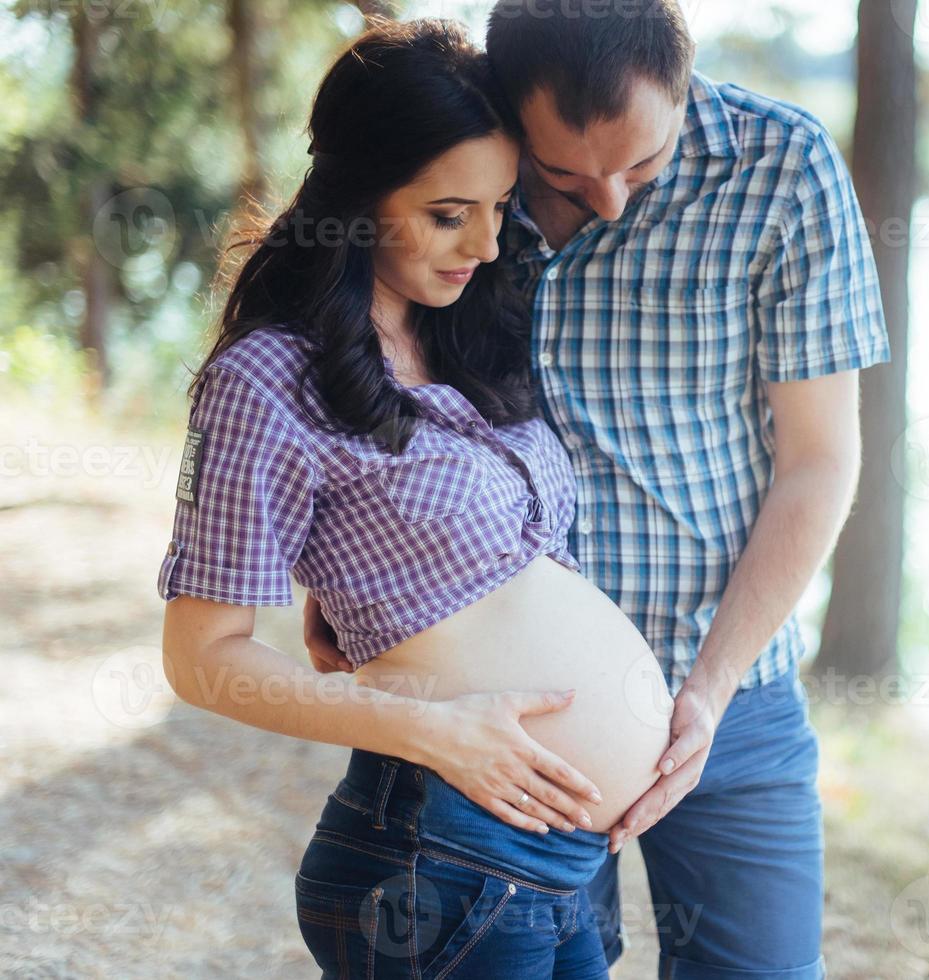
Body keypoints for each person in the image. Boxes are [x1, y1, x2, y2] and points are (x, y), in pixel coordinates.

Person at [306, 2, 892, 976]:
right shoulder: (464, 174)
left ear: (683, 81)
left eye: (642, 166)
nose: (612, 199)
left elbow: (820, 460)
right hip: (502, 715)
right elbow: (368, 382)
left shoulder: (783, 168)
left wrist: (706, 689)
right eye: (566, 175)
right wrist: (339, 572)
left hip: (730, 690)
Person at [157, 19, 672, 977]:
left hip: (562, 861)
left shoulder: (462, 334)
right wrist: (435, 727)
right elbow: (201, 659)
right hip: (440, 855)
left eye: (500, 204)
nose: (484, 241)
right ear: (357, 204)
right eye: (447, 214)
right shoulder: (269, 377)